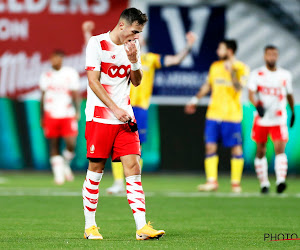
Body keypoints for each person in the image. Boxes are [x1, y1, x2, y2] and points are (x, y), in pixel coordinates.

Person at [82, 21, 197, 195]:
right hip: (120, 107)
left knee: (135, 148)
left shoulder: (150, 59)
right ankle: (118, 182)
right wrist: (87, 34)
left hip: (140, 108)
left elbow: (176, 60)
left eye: (139, 36)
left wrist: (189, 45)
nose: (135, 38)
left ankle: (133, 180)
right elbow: (94, 54)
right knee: (114, 147)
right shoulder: (119, 54)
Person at [83, 8, 165, 240]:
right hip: (99, 117)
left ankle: (142, 227)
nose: (136, 37)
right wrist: (114, 108)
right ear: (121, 26)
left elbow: (137, 82)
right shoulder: (96, 44)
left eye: (139, 33)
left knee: (133, 167)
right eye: (134, 31)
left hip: (125, 119)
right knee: (96, 171)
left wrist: (134, 61)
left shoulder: (133, 47)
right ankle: (90, 227)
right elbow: (93, 81)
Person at [185, 40, 249, 193]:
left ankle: (235, 184)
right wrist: (194, 100)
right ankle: (212, 182)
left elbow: (239, 88)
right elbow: (208, 85)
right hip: (214, 114)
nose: (217, 51)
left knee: (236, 148)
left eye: (221, 48)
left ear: (230, 51)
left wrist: (232, 71)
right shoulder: (215, 66)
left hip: (232, 115)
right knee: (210, 146)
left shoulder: (242, 68)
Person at [248, 45, 295, 194]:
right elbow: (251, 93)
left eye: (274, 55)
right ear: (264, 56)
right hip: (262, 119)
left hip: (278, 117)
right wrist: (256, 105)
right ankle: (264, 183)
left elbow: (289, 94)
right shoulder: (257, 74)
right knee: (260, 151)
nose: (272, 57)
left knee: (279, 149)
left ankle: (281, 181)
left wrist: (293, 111)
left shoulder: (285, 75)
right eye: (269, 55)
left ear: (277, 56)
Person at [40, 50, 80, 185]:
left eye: (57, 58)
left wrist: (78, 110)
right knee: (54, 144)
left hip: (67, 113)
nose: (54, 61)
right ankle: (58, 176)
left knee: (71, 143)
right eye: (52, 58)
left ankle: (65, 163)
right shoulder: (46, 75)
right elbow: (43, 96)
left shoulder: (70, 73)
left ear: (61, 59)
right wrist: (42, 116)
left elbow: (75, 93)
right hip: (51, 113)